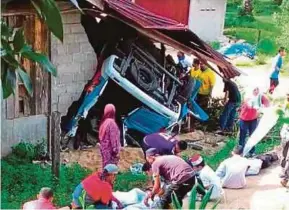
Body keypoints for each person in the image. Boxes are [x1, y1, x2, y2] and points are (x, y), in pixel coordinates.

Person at [239, 87, 270, 156]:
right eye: (254, 89)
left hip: (253, 119)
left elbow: (268, 104)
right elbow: (251, 105)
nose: (256, 91)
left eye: (257, 89)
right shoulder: (248, 97)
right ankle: (241, 152)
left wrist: (265, 99)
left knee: (252, 136)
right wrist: (261, 107)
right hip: (244, 119)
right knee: (242, 136)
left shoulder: (260, 97)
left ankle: (252, 152)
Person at [99, 104, 121, 168]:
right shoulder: (111, 123)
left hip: (104, 148)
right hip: (110, 150)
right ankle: (106, 177)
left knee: (105, 166)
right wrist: (116, 150)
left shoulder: (104, 122)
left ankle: (103, 177)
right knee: (111, 168)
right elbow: (114, 138)